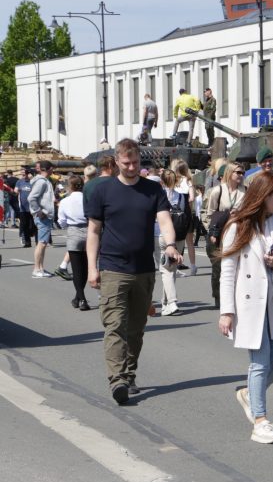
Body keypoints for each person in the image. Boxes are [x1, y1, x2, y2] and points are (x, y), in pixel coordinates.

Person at [87, 138, 180, 405]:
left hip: (143, 269)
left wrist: (171, 245)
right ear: (116, 161)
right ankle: (117, 380)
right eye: (126, 163)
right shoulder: (103, 191)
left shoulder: (153, 189)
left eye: (136, 163)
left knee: (136, 329)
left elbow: (164, 220)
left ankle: (128, 373)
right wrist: (93, 268)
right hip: (112, 268)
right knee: (114, 326)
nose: (131, 167)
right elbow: (93, 232)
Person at [218, 172, 273, 444]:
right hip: (249, 303)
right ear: (263, 197)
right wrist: (226, 311)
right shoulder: (237, 226)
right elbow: (227, 271)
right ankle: (260, 420)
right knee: (260, 363)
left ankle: (250, 394)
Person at [204, 164, 246, 308]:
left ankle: (234, 296)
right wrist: (211, 232)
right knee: (218, 268)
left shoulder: (245, 191)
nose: (241, 175)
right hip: (218, 233)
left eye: (243, 172)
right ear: (229, 173)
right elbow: (208, 214)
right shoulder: (217, 191)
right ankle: (218, 297)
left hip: (238, 231)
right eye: (238, 172)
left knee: (236, 266)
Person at [155, 169, 188, 316]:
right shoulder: (181, 196)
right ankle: (168, 303)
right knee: (171, 269)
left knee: (166, 270)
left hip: (160, 234)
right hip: (178, 235)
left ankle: (169, 303)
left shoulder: (157, 195)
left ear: (161, 181)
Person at [57, 175, 90, 310]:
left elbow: (61, 221)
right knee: (85, 268)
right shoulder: (88, 198)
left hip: (74, 231)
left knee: (76, 269)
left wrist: (67, 226)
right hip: (89, 230)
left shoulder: (65, 201)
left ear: (70, 187)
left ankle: (81, 299)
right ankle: (78, 297)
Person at [28, 160, 57, 278]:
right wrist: (39, 211)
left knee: (43, 243)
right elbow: (31, 198)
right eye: (51, 168)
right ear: (47, 169)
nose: (53, 170)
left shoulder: (44, 181)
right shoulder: (42, 182)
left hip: (45, 215)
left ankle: (40, 268)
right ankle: (36, 269)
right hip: (43, 216)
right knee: (41, 243)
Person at [172, 159, 198, 275]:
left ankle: (176, 266)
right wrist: (188, 204)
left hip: (175, 212)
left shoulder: (173, 181)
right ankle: (193, 266)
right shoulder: (188, 181)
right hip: (186, 212)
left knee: (176, 240)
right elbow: (192, 197)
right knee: (189, 241)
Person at [14, 169, 35, 247]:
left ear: (28, 174)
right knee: (24, 225)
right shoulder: (19, 182)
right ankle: (27, 241)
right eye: (21, 174)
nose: (22, 176)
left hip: (32, 207)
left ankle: (32, 237)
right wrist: (15, 191)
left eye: (24, 174)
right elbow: (15, 191)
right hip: (23, 207)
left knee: (32, 225)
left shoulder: (32, 182)